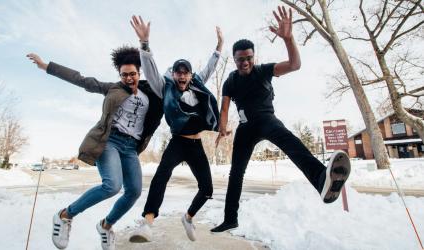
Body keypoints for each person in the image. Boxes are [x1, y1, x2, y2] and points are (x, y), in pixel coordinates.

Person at [211, 7, 351, 233]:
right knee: (236, 173)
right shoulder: (230, 81)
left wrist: (289, 38)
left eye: (248, 58)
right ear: (234, 59)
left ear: (253, 57)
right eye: (240, 60)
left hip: (267, 119)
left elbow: (294, 65)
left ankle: (321, 179)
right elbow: (225, 106)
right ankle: (230, 218)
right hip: (246, 128)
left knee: (290, 142)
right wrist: (223, 126)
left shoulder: (264, 70)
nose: (244, 63)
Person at [26, 46, 163, 250]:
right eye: (124, 75)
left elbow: (161, 80)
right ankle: (65, 215)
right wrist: (47, 67)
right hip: (109, 142)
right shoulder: (113, 88)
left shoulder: (150, 92)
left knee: (134, 191)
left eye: (132, 74)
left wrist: (145, 44)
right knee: (112, 186)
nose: (128, 78)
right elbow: (81, 80)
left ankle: (106, 226)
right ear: (120, 75)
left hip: (131, 147)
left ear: (139, 73)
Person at [128, 15, 223, 242]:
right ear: (173, 75)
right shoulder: (165, 88)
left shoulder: (197, 84)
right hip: (177, 141)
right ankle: (147, 223)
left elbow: (210, 68)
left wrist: (219, 47)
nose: (182, 75)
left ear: (190, 75)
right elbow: (150, 71)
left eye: (185, 72)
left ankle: (188, 217)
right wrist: (144, 45)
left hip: (196, 143)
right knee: (161, 176)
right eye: (178, 72)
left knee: (208, 189)